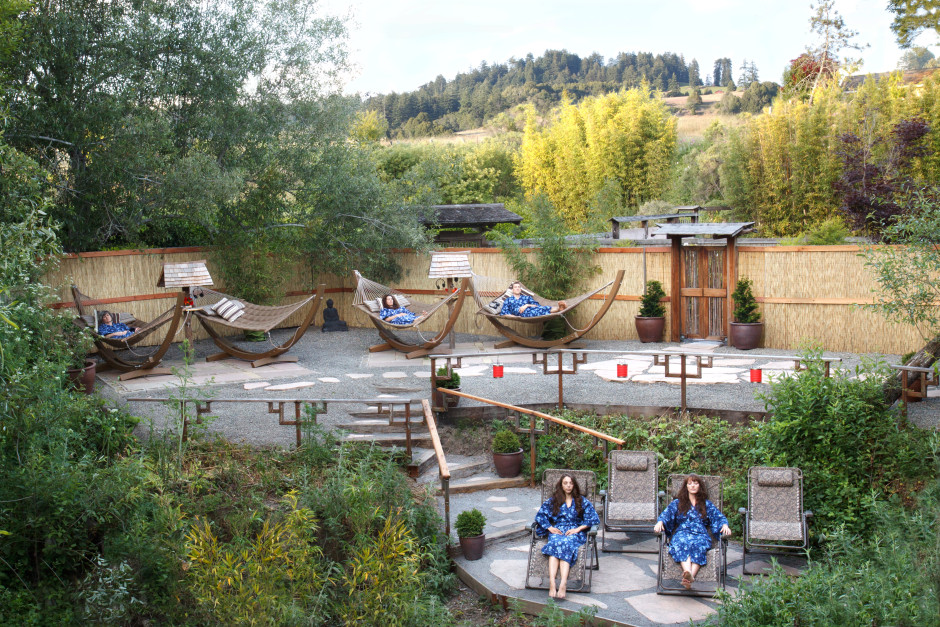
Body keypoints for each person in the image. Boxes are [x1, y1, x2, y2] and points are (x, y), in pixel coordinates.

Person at [653, 474, 731, 590]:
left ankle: (688, 576)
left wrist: (724, 525)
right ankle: (689, 575)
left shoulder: (706, 504)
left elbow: (718, 517)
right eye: (690, 484)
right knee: (681, 543)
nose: (693, 486)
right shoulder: (678, 503)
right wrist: (660, 522)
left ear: (700, 486)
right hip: (682, 532)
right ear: (686, 487)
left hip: (700, 534)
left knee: (697, 545)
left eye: (695, 483)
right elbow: (666, 514)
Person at [532, 474, 600, 599]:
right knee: (556, 543)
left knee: (566, 544)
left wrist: (578, 529)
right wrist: (549, 527)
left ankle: (563, 584)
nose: (568, 485)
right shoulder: (554, 500)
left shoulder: (581, 500)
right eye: (565, 483)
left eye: (570, 483)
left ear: (574, 485)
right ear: (561, 485)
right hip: (558, 530)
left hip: (574, 532)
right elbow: (540, 515)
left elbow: (593, 518)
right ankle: (552, 583)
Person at [499, 281, 566, 318]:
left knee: (542, 308)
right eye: (515, 287)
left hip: (532, 310)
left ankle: (559, 308)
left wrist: (527, 305)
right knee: (538, 311)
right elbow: (503, 313)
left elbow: (536, 305)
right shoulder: (508, 300)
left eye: (519, 287)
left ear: (520, 289)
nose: (517, 288)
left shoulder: (526, 297)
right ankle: (558, 310)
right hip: (523, 315)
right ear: (512, 290)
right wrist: (515, 317)